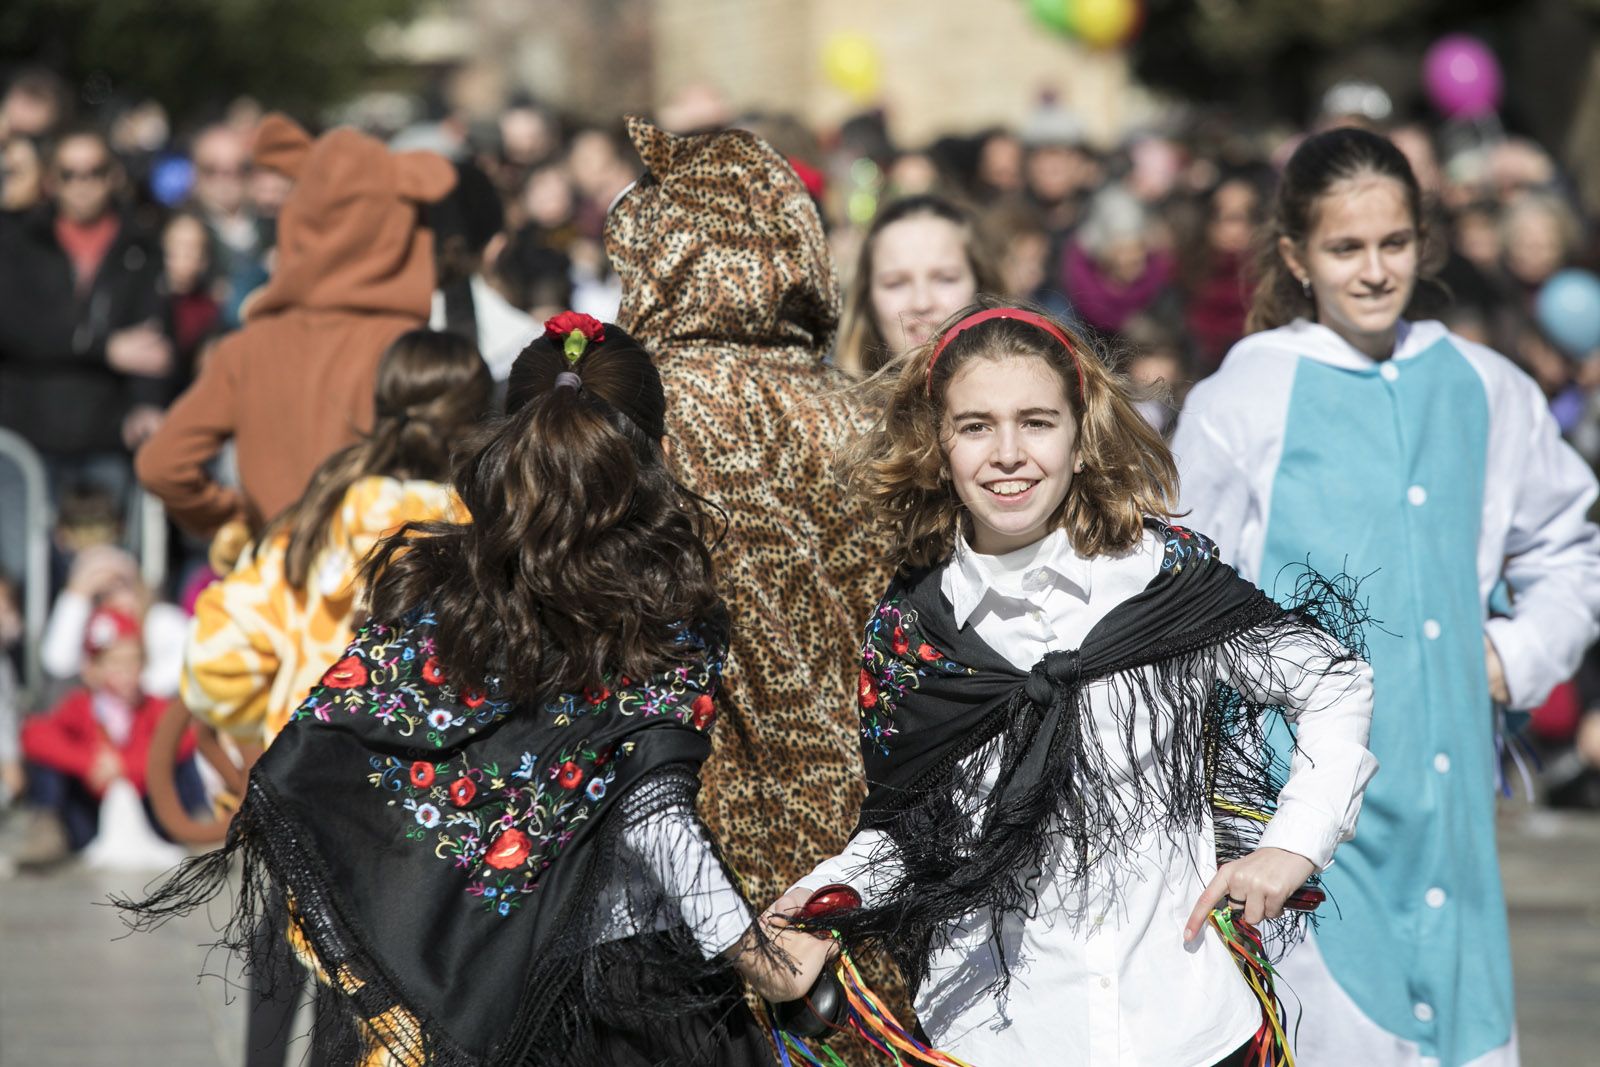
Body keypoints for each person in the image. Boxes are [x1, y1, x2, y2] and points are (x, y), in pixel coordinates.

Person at [122, 316, 811, 1067]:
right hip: (627, 999)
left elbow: (335, 744)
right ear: (662, 454)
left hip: (470, 986)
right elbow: (655, 817)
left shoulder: (446, 593)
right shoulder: (661, 608)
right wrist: (767, 962)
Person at [758, 300, 1376, 1065]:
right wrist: (812, 906)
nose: (1008, 452)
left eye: (1037, 422)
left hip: (1186, 1032)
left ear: (1082, 437)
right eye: (976, 425)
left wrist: (1293, 844)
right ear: (938, 442)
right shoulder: (914, 629)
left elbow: (1334, 680)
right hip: (998, 1041)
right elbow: (911, 833)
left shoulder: (1159, 580)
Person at [1170, 126, 1600, 1067]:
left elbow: (1568, 544)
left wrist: (1513, 654)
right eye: (1345, 248)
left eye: (1394, 244)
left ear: (1424, 241)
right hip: (1306, 817)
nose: (1373, 271)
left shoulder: (1486, 387)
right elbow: (1179, 588)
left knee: (1463, 1029)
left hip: (1451, 818)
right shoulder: (1243, 400)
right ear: (1296, 255)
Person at [135, 113, 456, 538]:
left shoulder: (248, 347)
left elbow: (162, 464)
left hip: (277, 586)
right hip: (381, 584)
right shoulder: (411, 349)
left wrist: (240, 520)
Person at [184, 328, 490, 751]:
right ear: (481, 417)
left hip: (310, 777)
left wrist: (272, 713)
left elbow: (215, 663)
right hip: (443, 795)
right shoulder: (493, 536)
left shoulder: (319, 520)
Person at [0, 126, 168, 505]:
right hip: (25, 435)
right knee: (18, 562)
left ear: (113, 176)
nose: (82, 184)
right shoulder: (17, 242)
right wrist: (103, 348)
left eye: (94, 171)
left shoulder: (140, 247)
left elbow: (153, 341)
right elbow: (16, 327)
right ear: (50, 180)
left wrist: (146, 403)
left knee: (102, 561)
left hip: (106, 436)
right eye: (68, 174)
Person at [20, 607, 200, 862]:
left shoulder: (154, 706)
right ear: (91, 669)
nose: (127, 672)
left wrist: (124, 766)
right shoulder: (79, 705)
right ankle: (47, 829)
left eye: (134, 661)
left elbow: (186, 737)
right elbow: (34, 735)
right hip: (91, 815)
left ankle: (197, 828)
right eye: (116, 663)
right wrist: (88, 763)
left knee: (183, 760)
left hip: (153, 812)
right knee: (48, 765)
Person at [836, 194, 1001, 379]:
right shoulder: (819, 405)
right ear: (867, 299)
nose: (922, 303)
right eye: (895, 283)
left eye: (945, 279)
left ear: (983, 286)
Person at [41, 543, 186, 698]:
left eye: (120, 585)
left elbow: (187, 664)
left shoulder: (162, 619)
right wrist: (78, 594)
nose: (116, 598)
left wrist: (132, 685)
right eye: (102, 593)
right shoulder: (91, 623)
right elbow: (58, 663)